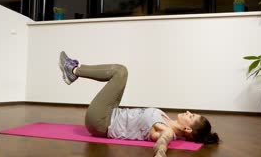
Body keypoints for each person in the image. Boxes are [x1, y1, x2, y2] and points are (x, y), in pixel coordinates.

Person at [58, 51, 219, 157]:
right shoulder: (166, 119)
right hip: (112, 112)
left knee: (121, 72)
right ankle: (73, 70)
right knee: (121, 73)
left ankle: (73, 70)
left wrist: (161, 153)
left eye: (191, 116)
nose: (188, 112)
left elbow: (163, 142)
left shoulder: (167, 131)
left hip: (101, 121)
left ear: (188, 129)